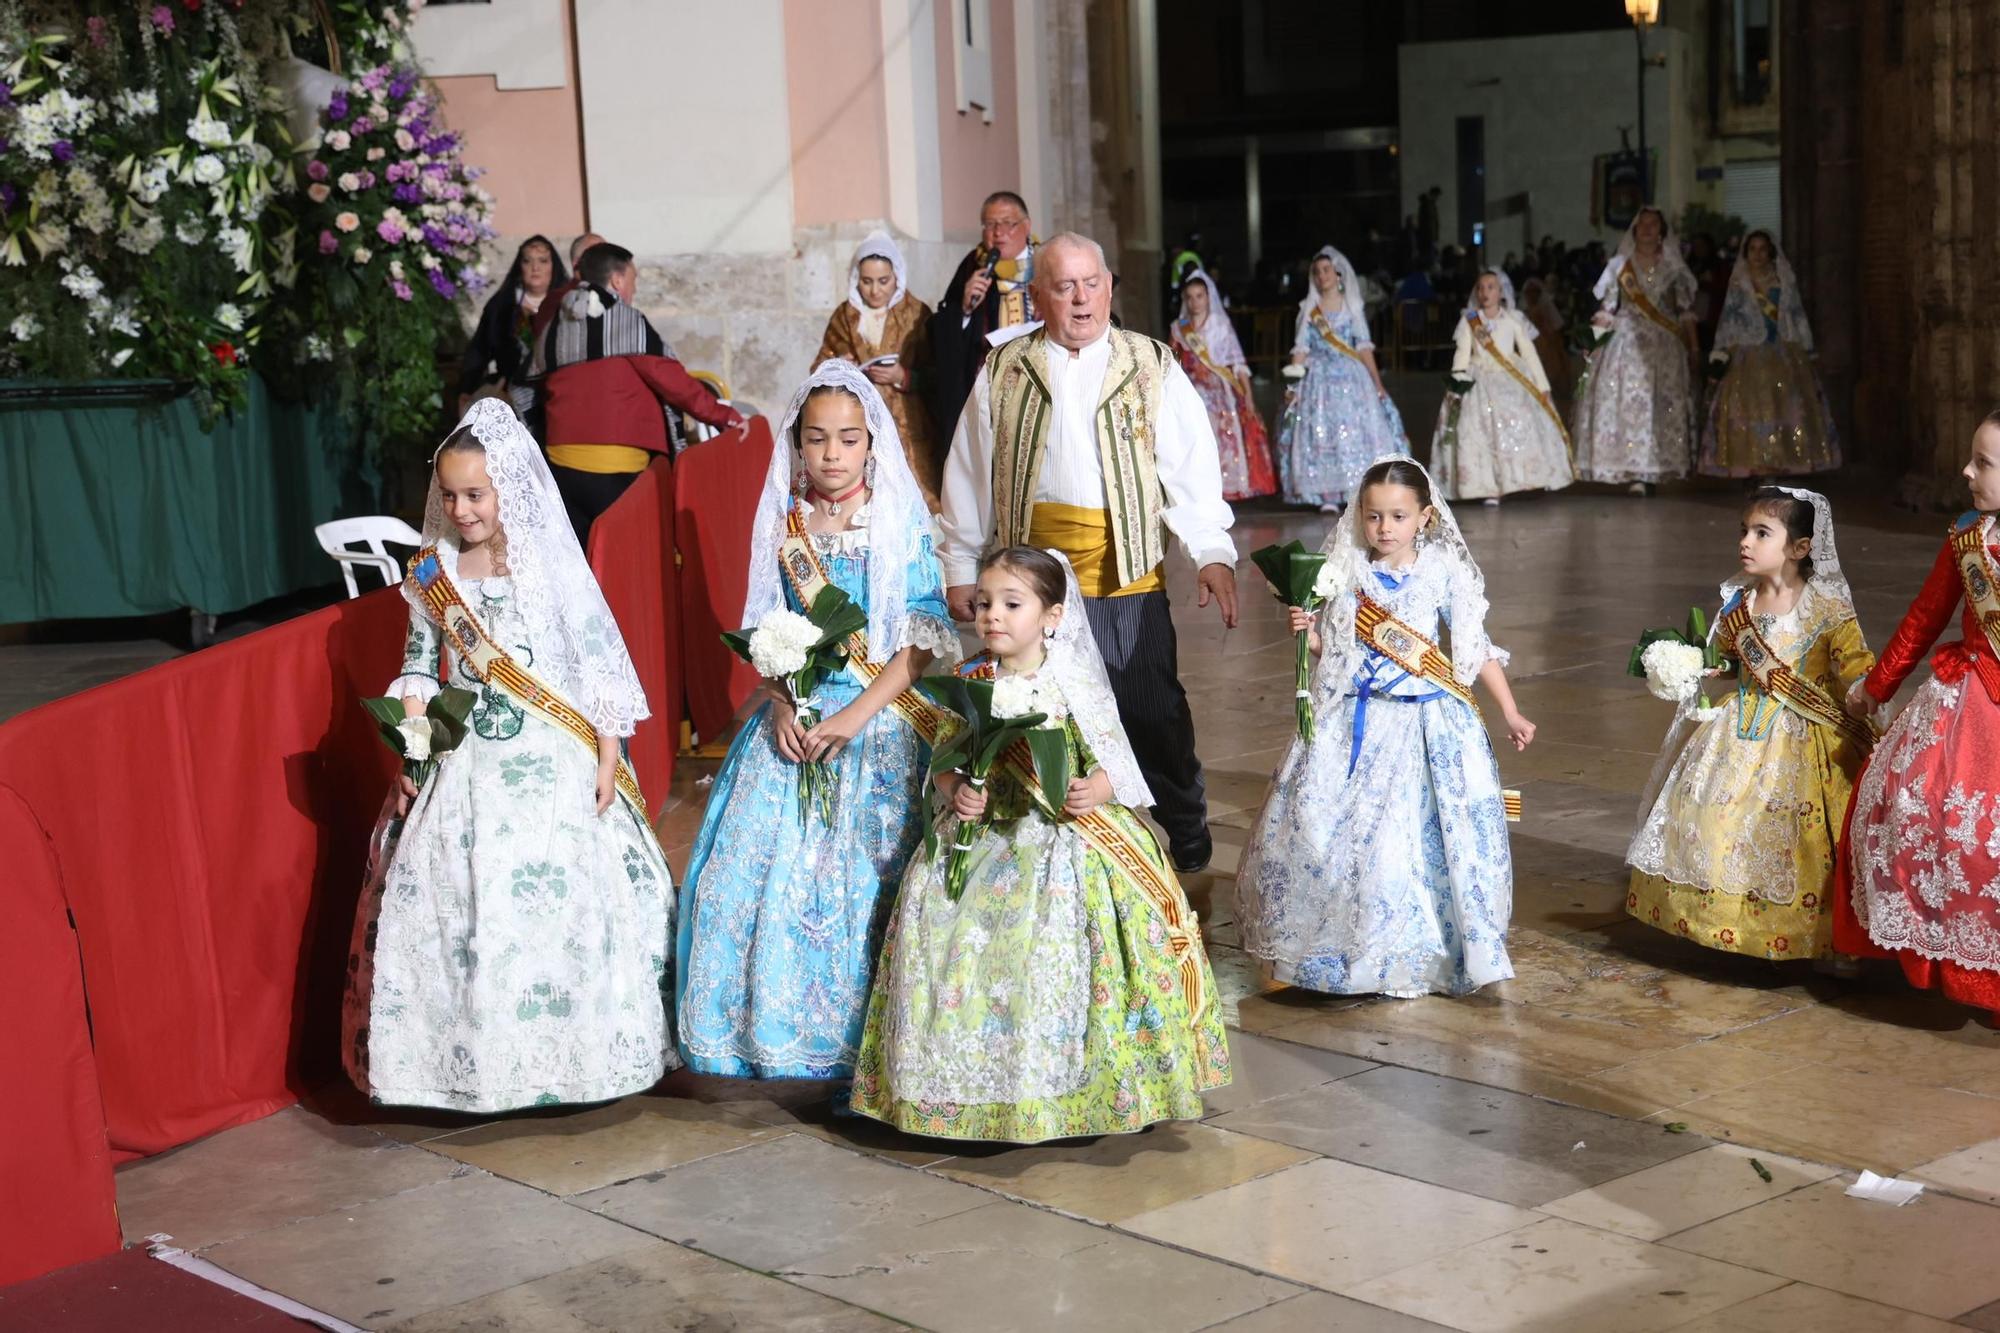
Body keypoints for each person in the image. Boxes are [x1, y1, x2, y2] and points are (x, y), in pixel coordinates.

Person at [341, 399, 675, 1111]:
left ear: (508, 490)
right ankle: (471, 1063)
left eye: (476, 494)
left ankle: (576, 1059)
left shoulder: (544, 560)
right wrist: (415, 741)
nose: (462, 509)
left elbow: (593, 660)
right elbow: (418, 668)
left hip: (551, 748)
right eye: (450, 494)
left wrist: (608, 754)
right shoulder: (432, 573)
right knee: (461, 901)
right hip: (462, 759)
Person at [849, 545, 1229, 1141]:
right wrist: (955, 791)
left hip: (1061, 838)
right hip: (984, 837)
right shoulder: (970, 680)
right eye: (983, 604)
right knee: (956, 934)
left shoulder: (1072, 679)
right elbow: (944, 761)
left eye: (1011, 603)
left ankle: (1076, 1087)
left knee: (1055, 953)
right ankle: (963, 1085)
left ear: (1053, 616)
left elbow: (1118, 765)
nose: (992, 616)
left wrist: (1094, 790)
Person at [675, 360, 959, 1080]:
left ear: (872, 445)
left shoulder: (894, 517)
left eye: (848, 439)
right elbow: (768, 627)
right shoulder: (787, 522)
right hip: (795, 716)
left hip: (877, 718)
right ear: (797, 445)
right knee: (749, 876)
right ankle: (775, 1033)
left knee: (864, 878)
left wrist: (858, 716)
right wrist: (777, 701)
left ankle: (868, 1043)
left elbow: (921, 637)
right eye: (816, 439)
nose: (832, 454)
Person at [938, 231, 1239, 874]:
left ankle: (1184, 821)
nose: (1081, 299)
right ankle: (1066, 844)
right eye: (1063, 286)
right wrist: (962, 564)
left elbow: (1188, 463)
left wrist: (1210, 550)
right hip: (1031, 582)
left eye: (1091, 283)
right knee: (1048, 706)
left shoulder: (1150, 363)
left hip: (1124, 567)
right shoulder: (1004, 368)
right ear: (1038, 297)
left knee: (1151, 708)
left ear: (1110, 287)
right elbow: (968, 470)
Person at [1235, 456, 1534, 998]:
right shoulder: (1345, 570)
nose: (1384, 529)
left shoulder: (1444, 569)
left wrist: (1510, 710)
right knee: (1337, 831)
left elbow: (1474, 648)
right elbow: (1335, 648)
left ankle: (1425, 951)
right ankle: (1344, 950)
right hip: (1358, 715)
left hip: (1426, 721)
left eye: (1398, 516)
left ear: (1425, 517)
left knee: (1417, 838)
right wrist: (1306, 630)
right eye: (1374, 517)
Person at [1628, 489, 1874, 959]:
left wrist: (1867, 687)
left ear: (1800, 548)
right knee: (1717, 820)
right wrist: (1687, 665)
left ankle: (1822, 938)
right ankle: (1720, 922)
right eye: (1744, 530)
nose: (1746, 541)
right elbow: (1725, 661)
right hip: (1738, 728)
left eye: (1763, 533)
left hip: (1804, 740)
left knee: (1801, 836)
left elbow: (1854, 664)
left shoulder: (1826, 610)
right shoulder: (1738, 605)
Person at [1836, 414, 2000, 1018]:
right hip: (1967, 704)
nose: (1966, 472)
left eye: (1983, 463)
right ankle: (1952, 964)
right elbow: (1924, 618)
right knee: (1914, 808)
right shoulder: (1965, 539)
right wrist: (1877, 687)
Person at [528, 243, 747, 542]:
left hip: (559, 468)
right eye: (633, 279)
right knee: (628, 559)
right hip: (615, 470)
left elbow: (526, 384)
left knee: (581, 566)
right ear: (617, 281)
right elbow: (672, 382)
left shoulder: (554, 325)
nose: (634, 288)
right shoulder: (624, 320)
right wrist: (725, 416)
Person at [1571, 206, 1699, 495]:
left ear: (1662, 231)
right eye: (1642, 224)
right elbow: (1608, 308)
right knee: (1627, 404)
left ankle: (1654, 469)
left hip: (1664, 345)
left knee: (1659, 405)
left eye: (1653, 224)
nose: (1647, 229)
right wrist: (1593, 341)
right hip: (1625, 340)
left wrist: (1694, 347)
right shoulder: (1619, 265)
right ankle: (1633, 471)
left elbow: (1685, 310)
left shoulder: (1673, 267)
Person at [813, 231, 941, 508]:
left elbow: (939, 374)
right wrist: (840, 369)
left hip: (909, 423)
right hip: (861, 423)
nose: (875, 290)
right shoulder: (845, 317)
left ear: (897, 276)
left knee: (917, 498)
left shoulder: (917, 313)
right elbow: (818, 369)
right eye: (867, 282)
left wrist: (904, 377)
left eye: (883, 281)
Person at [1698, 230, 1841, 478]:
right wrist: (1720, 353)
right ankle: (1752, 465)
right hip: (1746, 353)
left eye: (1762, 249)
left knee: (1784, 409)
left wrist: (1807, 348)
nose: (1757, 254)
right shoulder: (1739, 283)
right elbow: (1728, 320)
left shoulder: (1783, 280)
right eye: (1752, 249)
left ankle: (1778, 464)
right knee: (1748, 411)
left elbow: (1796, 315)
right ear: (1746, 253)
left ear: (1771, 252)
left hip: (1783, 352)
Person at [1278, 246, 1409, 513]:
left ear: (1338, 274)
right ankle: (1326, 493)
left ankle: (1358, 488)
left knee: (1357, 430)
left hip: (1352, 377)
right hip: (1318, 380)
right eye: (1317, 272)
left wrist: (1377, 383)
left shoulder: (1352, 307)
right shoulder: (1308, 310)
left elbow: (1362, 346)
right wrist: (1292, 384)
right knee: (1320, 432)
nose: (1322, 276)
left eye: (1326, 270)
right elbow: (1301, 348)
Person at [1431, 270, 1572, 506]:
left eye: (1491, 287)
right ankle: (1488, 486)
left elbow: (1529, 353)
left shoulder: (1514, 318)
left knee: (1519, 422)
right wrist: (1457, 383)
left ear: (1501, 291)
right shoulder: (1470, 320)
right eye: (1481, 287)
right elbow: (1462, 355)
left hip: (1511, 376)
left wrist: (1542, 385)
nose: (1485, 292)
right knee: (1477, 428)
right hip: (1479, 379)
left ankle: (1516, 480)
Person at [930, 191, 1038, 467]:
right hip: (989, 389)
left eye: (1007, 223)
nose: (998, 233)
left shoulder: (1047, 262)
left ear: (1026, 226)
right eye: (989, 225)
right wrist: (964, 309)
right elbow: (943, 328)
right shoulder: (973, 265)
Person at [1171, 268, 1277, 502]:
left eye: (1199, 296)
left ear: (1208, 297)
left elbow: (1237, 362)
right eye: (1190, 297)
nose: (1195, 301)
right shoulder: (1179, 328)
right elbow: (1172, 362)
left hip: (1221, 392)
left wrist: (1248, 395)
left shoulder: (1220, 325)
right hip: (1190, 391)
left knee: (1224, 437)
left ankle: (1226, 486)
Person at [457, 235, 565, 423]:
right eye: (527, 261)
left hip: (557, 392)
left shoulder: (566, 303)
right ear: (519, 266)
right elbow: (480, 349)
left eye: (543, 261)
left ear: (553, 266)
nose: (535, 268)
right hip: (510, 393)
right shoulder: (502, 305)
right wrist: (467, 387)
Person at [1518, 275, 1575, 409]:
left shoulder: (1543, 307)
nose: (1531, 296)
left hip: (1547, 341)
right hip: (1531, 342)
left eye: (1534, 293)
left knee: (1553, 368)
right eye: (1529, 293)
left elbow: (1555, 324)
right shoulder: (1524, 311)